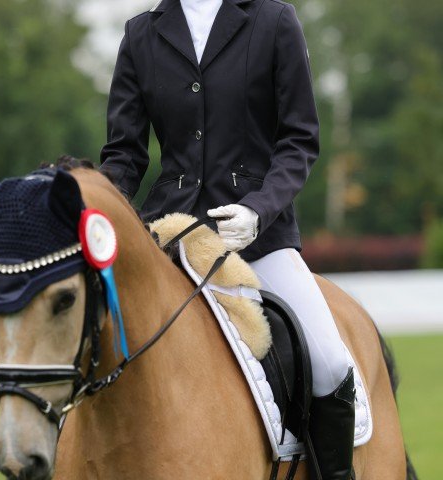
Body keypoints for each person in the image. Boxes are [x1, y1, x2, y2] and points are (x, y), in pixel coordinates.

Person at [99, 0, 354, 478]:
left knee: (329, 361)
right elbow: (124, 156)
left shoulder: (273, 20)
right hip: (170, 234)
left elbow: (299, 139)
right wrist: (95, 212)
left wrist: (259, 208)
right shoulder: (141, 35)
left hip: (257, 236)